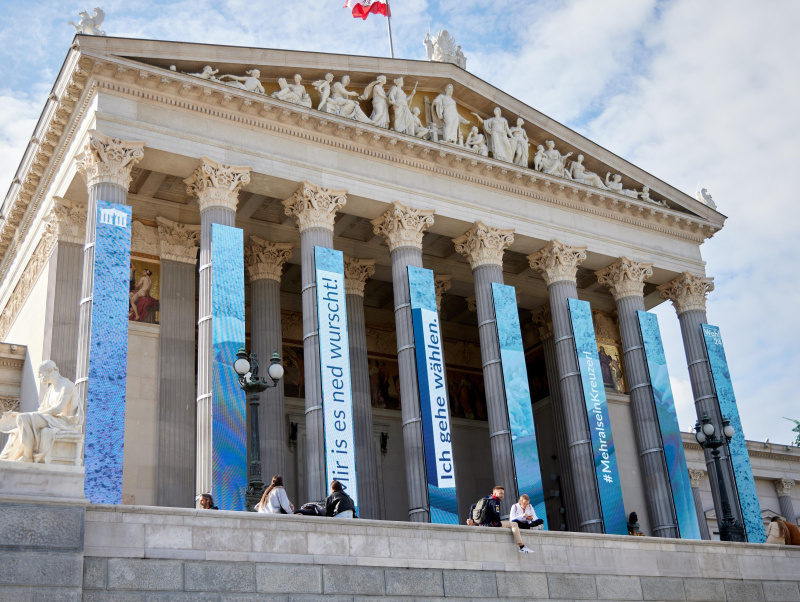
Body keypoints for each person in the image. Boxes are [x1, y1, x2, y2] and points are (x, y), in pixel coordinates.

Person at [467, 485, 532, 554]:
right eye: (500, 493)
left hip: (482, 524)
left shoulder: (485, 499)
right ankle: (521, 546)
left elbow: (473, 506)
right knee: (514, 524)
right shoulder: (495, 501)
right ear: (495, 493)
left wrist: (471, 518)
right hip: (491, 525)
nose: (502, 495)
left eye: (503, 494)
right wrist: (498, 523)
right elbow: (496, 514)